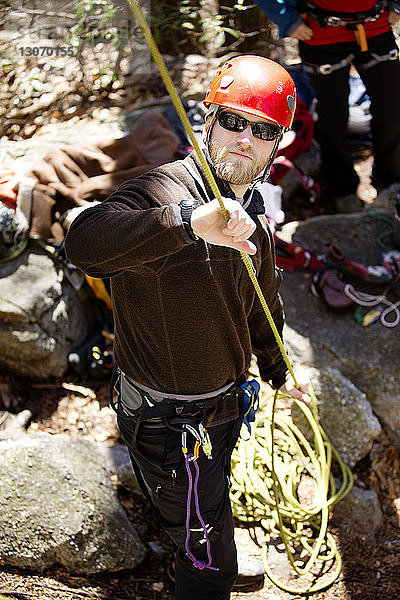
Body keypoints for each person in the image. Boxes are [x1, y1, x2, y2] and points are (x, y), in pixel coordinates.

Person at [64, 55, 309, 600]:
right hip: (167, 424)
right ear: (209, 122)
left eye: (263, 129)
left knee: (209, 504)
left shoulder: (254, 216)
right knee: (208, 569)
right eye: (234, 121)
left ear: (277, 146)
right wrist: (186, 225)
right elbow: (82, 243)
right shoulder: (163, 193)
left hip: (220, 409)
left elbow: (258, 304)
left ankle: (204, 547)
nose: (245, 139)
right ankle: (205, 565)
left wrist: (279, 370)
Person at [254, 0, 400, 212]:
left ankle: (390, 183)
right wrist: (286, 18)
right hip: (320, 34)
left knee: (393, 109)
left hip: (376, 28)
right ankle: (343, 189)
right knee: (332, 118)